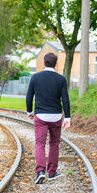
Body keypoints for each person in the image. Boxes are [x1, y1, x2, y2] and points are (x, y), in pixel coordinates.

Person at [26, 52, 71, 184]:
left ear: (44, 63)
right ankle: (52, 172)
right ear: (56, 64)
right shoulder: (61, 79)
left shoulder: (35, 77)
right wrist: (67, 118)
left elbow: (29, 97)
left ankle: (40, 171)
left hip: (40, 116)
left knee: (40, 143)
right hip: (56, 116)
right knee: (54, 144)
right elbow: (65, 100)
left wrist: (29, 111)